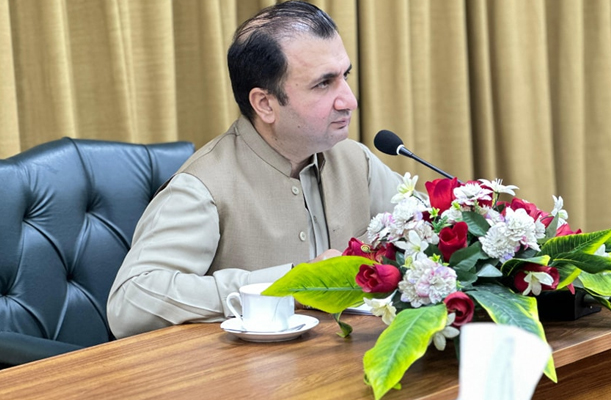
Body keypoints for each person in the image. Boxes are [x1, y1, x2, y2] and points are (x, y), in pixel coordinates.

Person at [106, 0, 404, 338]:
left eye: (344, 76)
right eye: (324, 83)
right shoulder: (203, 187)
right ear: (265, 104)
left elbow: (427, 236)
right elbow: (129, 302)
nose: (348, 100)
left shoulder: (355, 160)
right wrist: (287, 284)